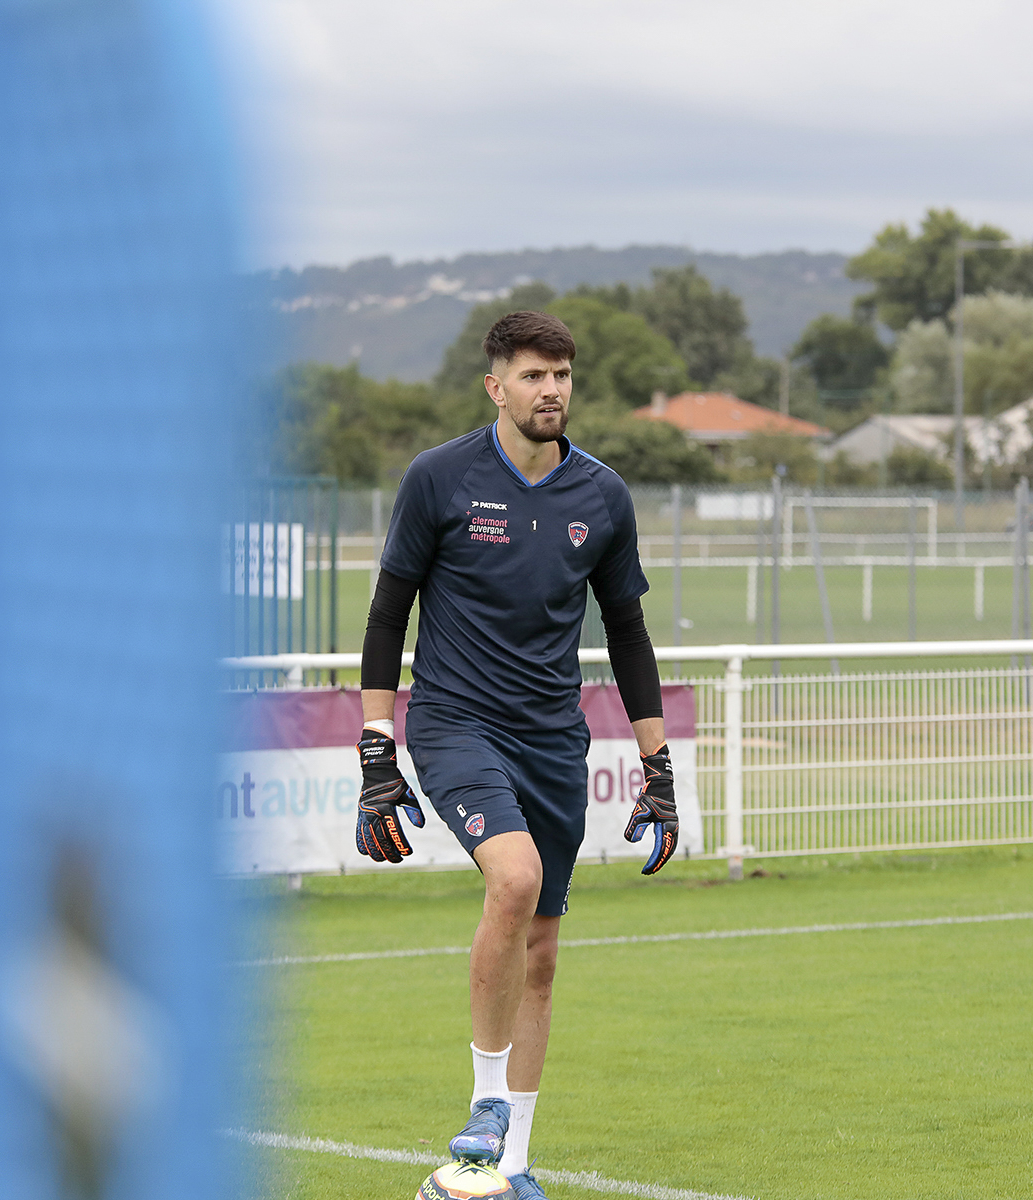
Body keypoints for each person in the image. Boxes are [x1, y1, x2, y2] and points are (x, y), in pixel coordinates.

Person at [353, 311, 678, 1200]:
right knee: (514, 878)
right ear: (496, 386)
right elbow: (389, 615)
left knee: (542, 954)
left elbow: (630, 632)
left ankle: (512, 1167)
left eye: (563, 373)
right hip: (456, 722)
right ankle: (483, 1111)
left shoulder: (604, 495)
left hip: (551, 740)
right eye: (535, 375)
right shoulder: (438, 479)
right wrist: (377, 747)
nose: (553, 390)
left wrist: (659, 766)